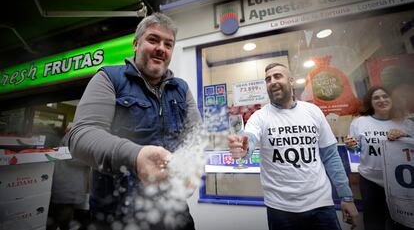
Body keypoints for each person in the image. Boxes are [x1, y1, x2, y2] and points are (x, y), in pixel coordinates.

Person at [68, 13, 201, 230]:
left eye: (168, 44)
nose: (161, 48)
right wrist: (135, 156)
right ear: (136, 43)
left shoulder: (181, 89)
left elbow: (196, 136)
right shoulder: (109, 78)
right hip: (117, 217)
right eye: (153, 40)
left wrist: (192, 166)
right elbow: (81, 135)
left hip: (174, 214)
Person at [228, 62, 358, 230]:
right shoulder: (259, 117)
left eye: (277, 76)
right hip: (280, 209)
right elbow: (250, 140)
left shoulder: (313, 111)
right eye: (268, 79)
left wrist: (346, 197)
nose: (272, 81)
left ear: (291, 80)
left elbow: (330, 156)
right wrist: (243, 148)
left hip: (321, 204)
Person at [345, 86, 414, 230]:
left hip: (401, 182)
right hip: (370, 181)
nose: (381, 100)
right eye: (376, 97)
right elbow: (356, 148)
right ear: (370, 102)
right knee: (373, 222)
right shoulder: (359, 122)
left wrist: (404, 137)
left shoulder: (406, 123)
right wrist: (351, 146)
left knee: (402, 222)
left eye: (385, 96)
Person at [47, 124, 91, 230]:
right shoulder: (75, 142)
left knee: (59, 220)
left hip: (63, 188)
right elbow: (76, 159)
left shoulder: (65, 141)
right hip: (68, 190)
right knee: (64, 221)